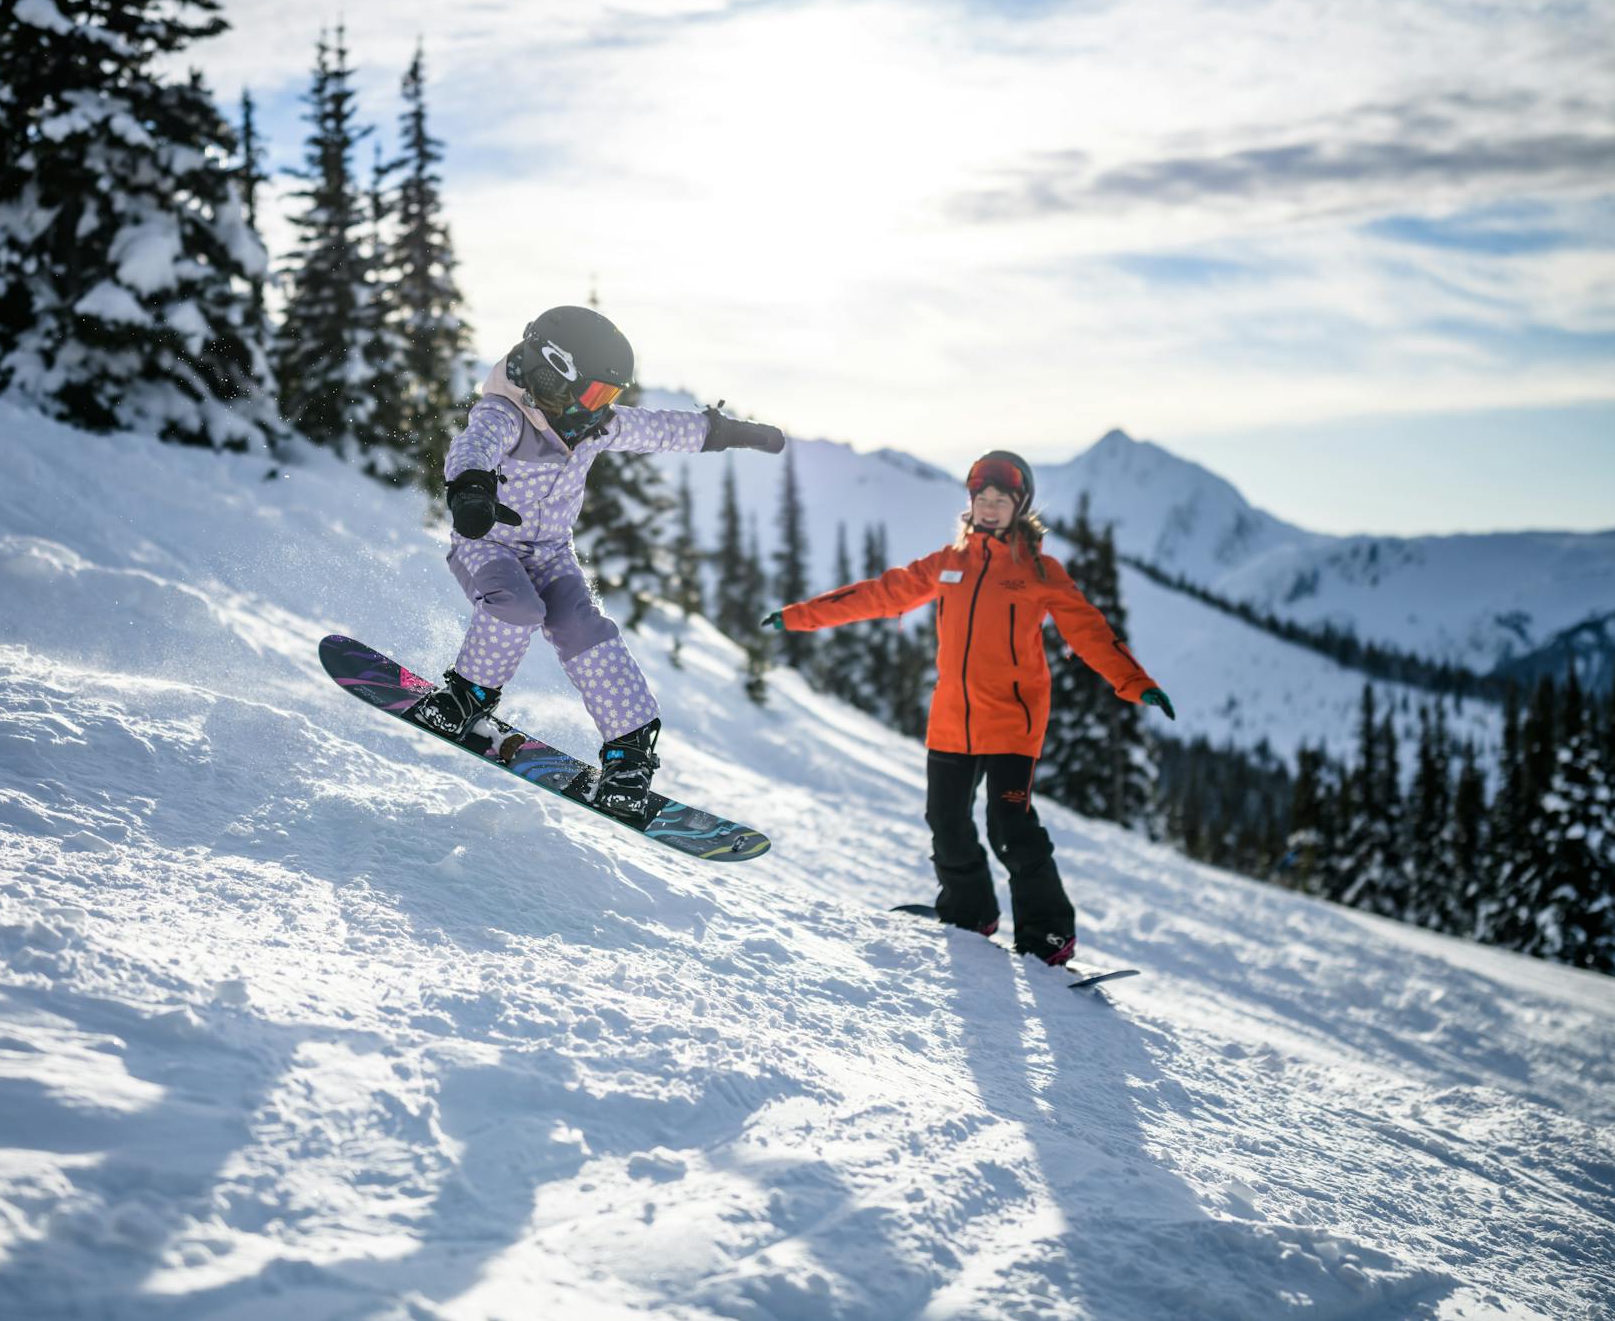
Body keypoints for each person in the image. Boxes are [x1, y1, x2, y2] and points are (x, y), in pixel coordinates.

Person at [762, 450, 1175, 964]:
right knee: (946, 820)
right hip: (953, 721)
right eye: (983, 498)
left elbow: (1090, 633)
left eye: (1002, 499)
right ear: (972, 502)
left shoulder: (1041, 571)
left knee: (1011, 826)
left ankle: (1048, 934)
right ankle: (969, 912)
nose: (991, 507)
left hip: (1012, 723)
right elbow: (879, 595)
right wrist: (798, 617)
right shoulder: (948, 563)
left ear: (1019, 505)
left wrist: (1137, 684)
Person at [411, 304, 785, 817]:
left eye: (609, 397)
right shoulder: (504, 414)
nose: (601, 407)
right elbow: (472, 449)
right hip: (489, 543)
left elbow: (664, 429)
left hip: (552, 552)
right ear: (552, 371)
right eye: (594, 393)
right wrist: (471, 491)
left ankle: (629, 750)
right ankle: (468, 697)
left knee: (585, 629)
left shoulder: (592, 425)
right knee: (516, 607)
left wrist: (734, 433)